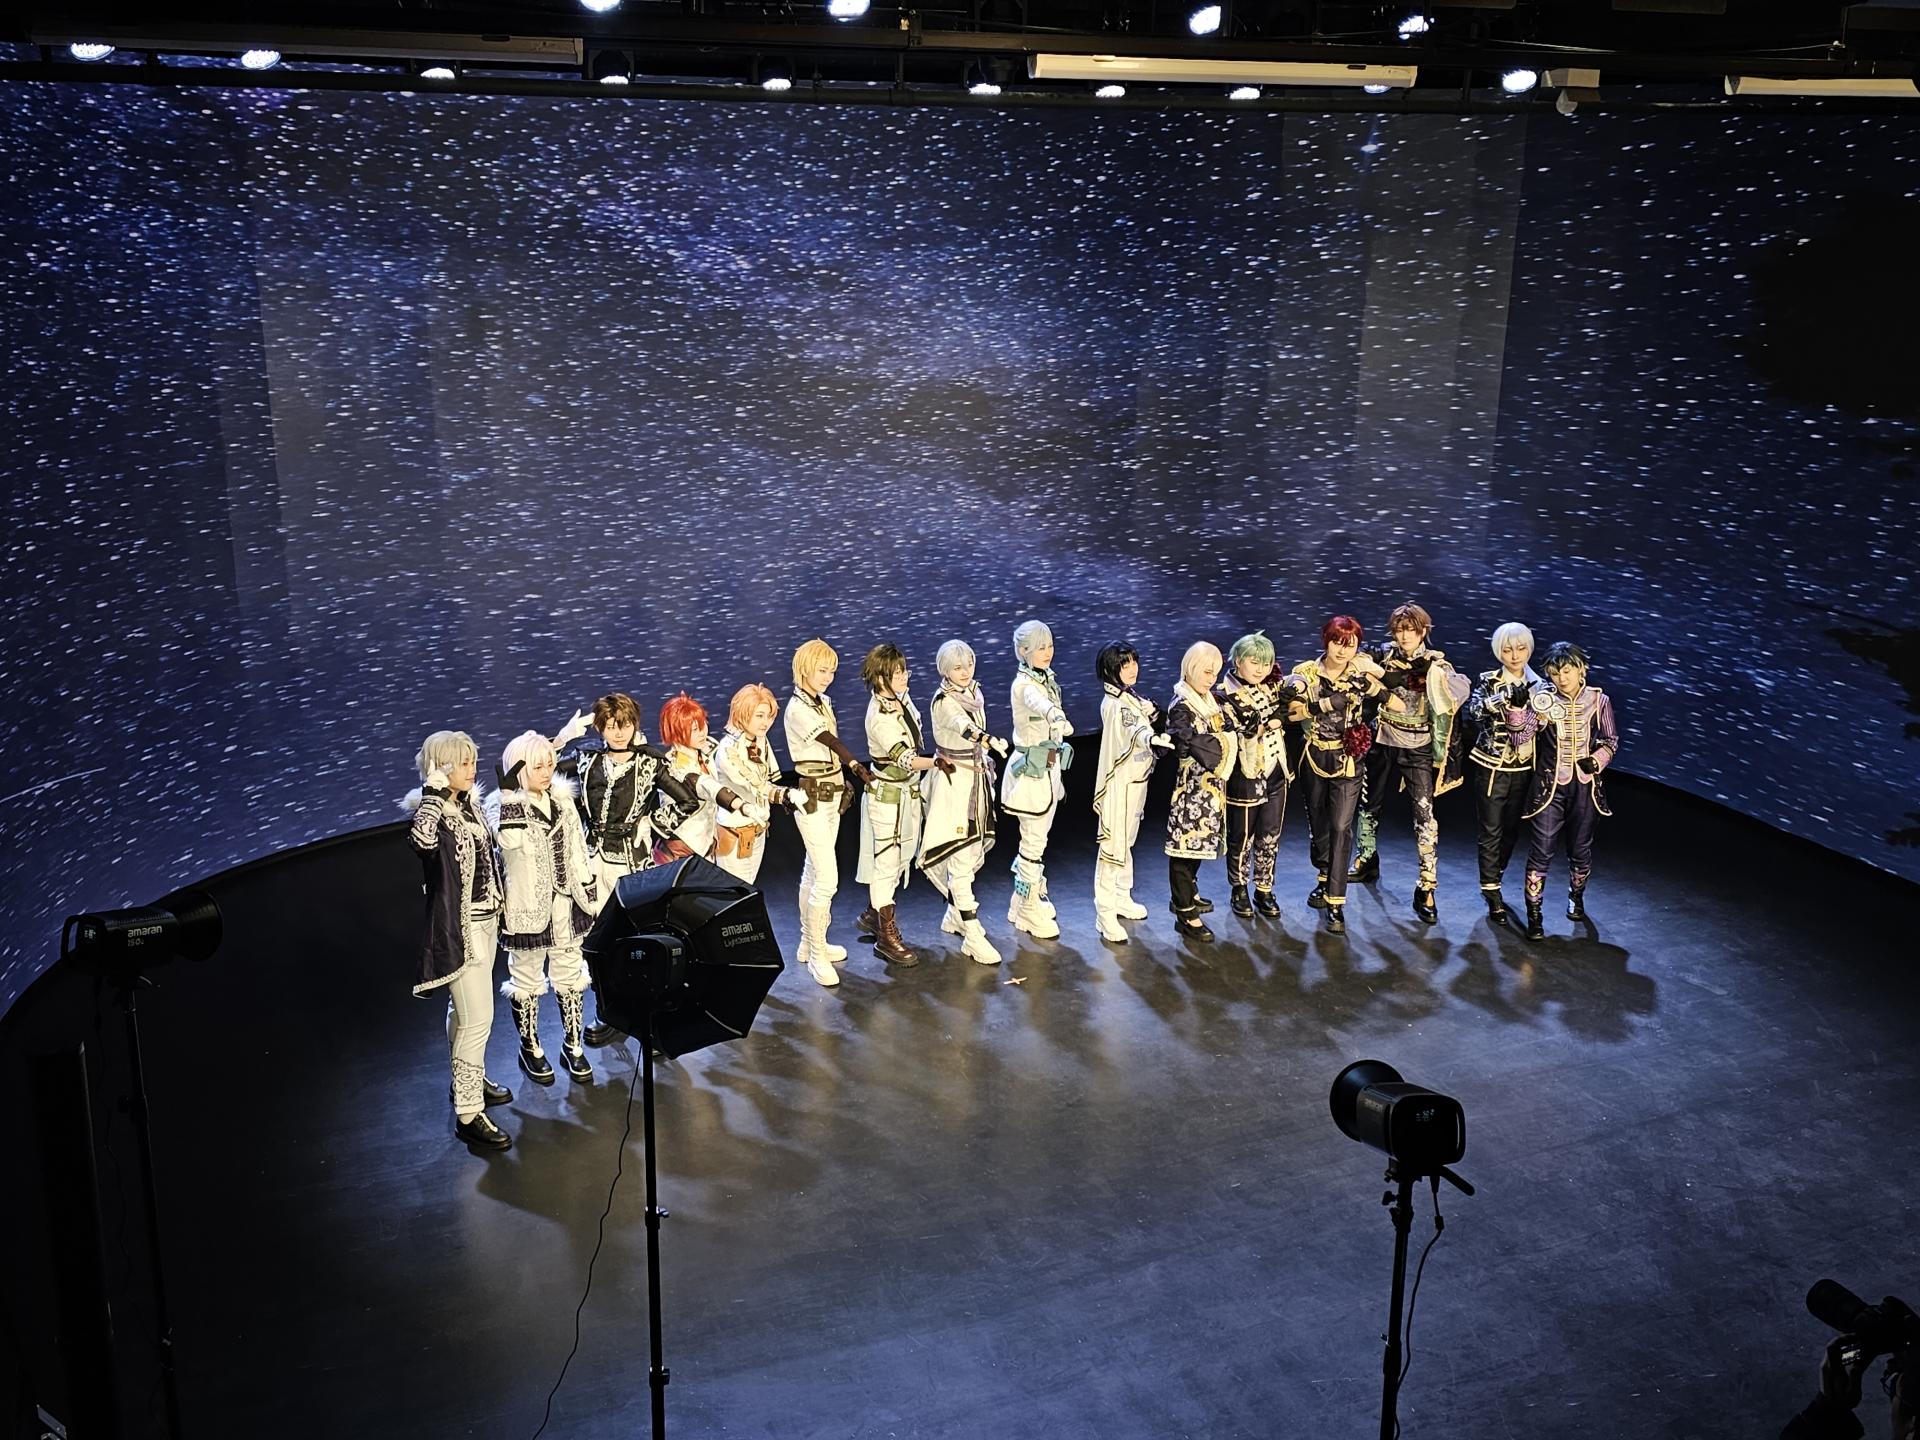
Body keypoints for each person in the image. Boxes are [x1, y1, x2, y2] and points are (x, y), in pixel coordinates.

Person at [403, 729, 512, 1152]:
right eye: (464, 763)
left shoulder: (469, 805)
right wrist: (431, 796)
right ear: (441, 767)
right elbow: (422, 842)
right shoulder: (430, 812)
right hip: (459, 929)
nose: (472, 769)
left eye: (473, 761)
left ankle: (468, 1078)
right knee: (477, 1018)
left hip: (486, 922)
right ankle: (468, 1113)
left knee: (463, 1011)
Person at [1348, 603, 1470, 924]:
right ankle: (1366, 857)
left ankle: (1427, 885)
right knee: (1368, 804)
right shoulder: (1383, 655)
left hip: (1417, 745)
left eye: (1411, 630)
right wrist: (1380, 677)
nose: (1404, 636)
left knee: (1424, 815)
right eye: (1399, 630)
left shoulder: (1435, 663)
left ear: (1422, 631)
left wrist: (1429, 678)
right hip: (1382, 737)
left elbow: (1459, 689)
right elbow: (1357, 662)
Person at [494, 724, 599, 1085]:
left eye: (549, 764)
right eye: (537, 766)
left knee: (570, 974)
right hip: (527, 908)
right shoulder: (503, 806)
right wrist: (509, 798)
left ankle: (573, 1045)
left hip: (567, 904)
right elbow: (508, 844)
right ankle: (530, 1047)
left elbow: (577, 847)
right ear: (518, 768)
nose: (546, 772)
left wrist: (588, 890)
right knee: (526, 978)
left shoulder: (563, 800)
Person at [559, 692, 662, 1045]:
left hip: (631, 865)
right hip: (592, 862)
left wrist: (652, 823)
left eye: (626, 724)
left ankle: (644, 1016)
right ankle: (609, 1012)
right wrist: (563, 738)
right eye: (611, 725)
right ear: (601, 727)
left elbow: (688, 800)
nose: (619, 732)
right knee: (597, 941)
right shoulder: (586, 758)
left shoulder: (650, 763)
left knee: (635, 941)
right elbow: (537, 768)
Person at [784, 639, 874, 988]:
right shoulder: (797, 708)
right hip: (811, 796)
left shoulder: (822, 701)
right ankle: (816, 954)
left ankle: (810, 943)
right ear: (805, 668)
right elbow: (829, 741)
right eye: (822, 670)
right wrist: (854, 763)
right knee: (826, 879)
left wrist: (844, 775)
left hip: (831, 791)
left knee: (813, 870)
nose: (828, 677)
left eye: (832, 671)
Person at [1291, 617, 1386, 935]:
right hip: (1314, 756)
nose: (1343, 651)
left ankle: (1336, 901)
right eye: (1337, 643)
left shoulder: (1361, 671)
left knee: (1342, 826)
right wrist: (1324, 703)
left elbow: (1393, 696)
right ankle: (1323, 876)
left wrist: (1374, 679)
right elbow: (1292, 712)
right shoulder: (1307, 673)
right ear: (1326, 640)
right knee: (1318, 822)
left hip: (1348, 760)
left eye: (1351, 645)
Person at [1519, 642, 1620, 941]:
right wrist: (1525, 715)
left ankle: (1576, 896)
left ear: (1580, 669)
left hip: (1585, 787)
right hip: (1549, 787)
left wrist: (1597, 760)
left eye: (1566, 671)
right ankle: (1534, 914)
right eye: (1554, 673)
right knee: (1541, 850)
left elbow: (1611, 740)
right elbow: (1520, 738)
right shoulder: (1542, 699)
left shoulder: (1598, 700)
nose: (1561, 678)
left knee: (1580, 849)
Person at [854, 643, 946, 968]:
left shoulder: (899, 699)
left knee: (902, 856)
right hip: (889, 797)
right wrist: (936, 763)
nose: (904, 676)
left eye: (904, 670)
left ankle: (874, 913)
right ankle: (886, 937)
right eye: (897, 673)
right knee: (888, 862)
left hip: (906, 793)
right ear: (880, 678)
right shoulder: (880, 717)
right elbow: (905, 758)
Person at [919, 639, 1009, 966]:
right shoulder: (944, 701)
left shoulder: (973, 692)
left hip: (975, 778)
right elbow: (963, 726)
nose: (965, 671)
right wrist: (986, 739)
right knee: (959, 855)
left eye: (968, 665)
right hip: (954, 782)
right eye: (957, 667)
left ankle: (955, 915)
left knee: (969, 855)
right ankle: (971, 934)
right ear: (945, 670)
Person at [1216, 632, 1302, 922]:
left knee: (1270, 834)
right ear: (1238, 661)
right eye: (1255, 663)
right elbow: (1236, 730)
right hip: (1246, 773)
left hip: (1276, 770)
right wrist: (1271, 722)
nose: (1261, 669)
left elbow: (1298, 684)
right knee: (1241, 836)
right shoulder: (1223, 694)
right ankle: (1239, 888)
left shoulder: (1271, 687)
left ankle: (1264, 888)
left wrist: (1290, 697)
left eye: (1266, 664)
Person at [1465, 622, 1546, 929]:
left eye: (1521, 648)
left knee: (1511, 830)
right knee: (1491, 829)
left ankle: (1495, 876)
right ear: (1499, 652)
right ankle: (1491, 890)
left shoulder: (1540, 685)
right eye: (1508, 649)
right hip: (1492, 765)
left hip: (1524, 767)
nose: (1515, 655)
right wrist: (1504, 698)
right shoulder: (1489, 681)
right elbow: (1474, 711)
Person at [1001, 621, 1074, 941]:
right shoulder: (1024, 685)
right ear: (1023, 651)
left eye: (1049, 646)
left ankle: (1021, 902)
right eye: (1040, 647)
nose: (1047, 652)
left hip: (1047, 768)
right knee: (1032, 843)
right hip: (1031, 772)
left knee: (1036, 841)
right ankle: (1028, 906)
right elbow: (1038, 704)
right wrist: (1056, 716)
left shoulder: (1044, 679)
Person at [1091, 642, 1165, 943]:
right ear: (1111, 669)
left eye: (1134, 662)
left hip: (1136, 782)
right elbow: (1134, 730)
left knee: (1127, 842)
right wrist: (1152, 738)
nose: (1132, 669)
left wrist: (1154, 712)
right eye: (1125, 664)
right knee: (1113, 848)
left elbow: (1142, 720)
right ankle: (1105, 913)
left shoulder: (1129, 696)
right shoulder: (1115, 704)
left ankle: (1122, 896)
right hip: (1119, 785)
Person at [1164, 641, 1235, 943]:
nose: (1211, 679)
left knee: (1198, 846)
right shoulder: (1182, 705)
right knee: (1184, 849)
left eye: (1215, 673)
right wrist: (1222, 740)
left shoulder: (1208, 700)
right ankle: (1185, 914)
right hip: (1191, 788)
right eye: (1206, 672)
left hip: (1211, 788)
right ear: (1191, 669)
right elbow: (1189, 742)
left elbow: (1227, 727)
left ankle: (1189, 894)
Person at [651, 693, 769, 868]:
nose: (702, 733)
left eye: (703, 725)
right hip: (680, 848)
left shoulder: (706, 748)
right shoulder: (674, 767)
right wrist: (741, 805)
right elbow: (707, 786)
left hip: (705, 844)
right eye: (694, 730)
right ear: (676, 732)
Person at [711, 684, 804, 885]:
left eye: (769, 716)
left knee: (748, 888)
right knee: (734, 892)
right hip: (734, 832)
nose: (766, 722)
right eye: (759, 715)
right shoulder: (728, 749)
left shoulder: (760, 740)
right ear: (742, 713)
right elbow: (756, 783)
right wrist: (785, 795)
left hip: (757, 829)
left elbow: (766, 779)